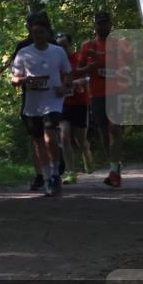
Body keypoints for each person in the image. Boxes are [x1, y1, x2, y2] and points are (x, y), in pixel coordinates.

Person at [11, 14, 72, 197]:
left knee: (50, 138)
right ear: (31, 32)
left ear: (47, 32)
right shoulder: (23, 53)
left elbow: (68, 73)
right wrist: (24, 80)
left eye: (41, 31)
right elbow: (14, 79)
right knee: (38, 141)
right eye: (35, 32)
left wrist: (64, 87)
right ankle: (46, 177)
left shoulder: (57, 51)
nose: (38, 35)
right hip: (32, 104)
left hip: (53, 101)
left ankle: (54, 174)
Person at [76, 11, 132, 187]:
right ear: (95, 25)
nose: (102, 26)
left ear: (110, 24)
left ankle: (114, 171)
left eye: (105, 23)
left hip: (118, 92)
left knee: (115, 128)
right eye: (99, 23)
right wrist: (90, 67)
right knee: (104, 131)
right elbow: (78, 70)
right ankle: (115, 164)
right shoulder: (88, 46)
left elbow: (132, 66)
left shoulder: (122, 44)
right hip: (98, 94)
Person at [56, 32, 94, 183]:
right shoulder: (56, 62)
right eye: (59, 46)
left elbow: (91, 75)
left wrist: (81, 81)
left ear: (71, 45)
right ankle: (71, 172)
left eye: (64, 45)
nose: (62, 49)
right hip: (63, 104)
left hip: (80, 103)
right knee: (64, 137)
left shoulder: (79, 58)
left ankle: (87, 155)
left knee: (80, 140)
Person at [11, 13, 43, 191]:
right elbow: (15, 74)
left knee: (52, 135)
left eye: (38, 25)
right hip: (30, 97)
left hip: (53, 98)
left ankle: (54, 167)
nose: (34, 29)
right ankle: (40, 174)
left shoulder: (53, 45)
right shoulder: (22, 47)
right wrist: (23, 80)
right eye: (31, 25)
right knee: (35, 137)